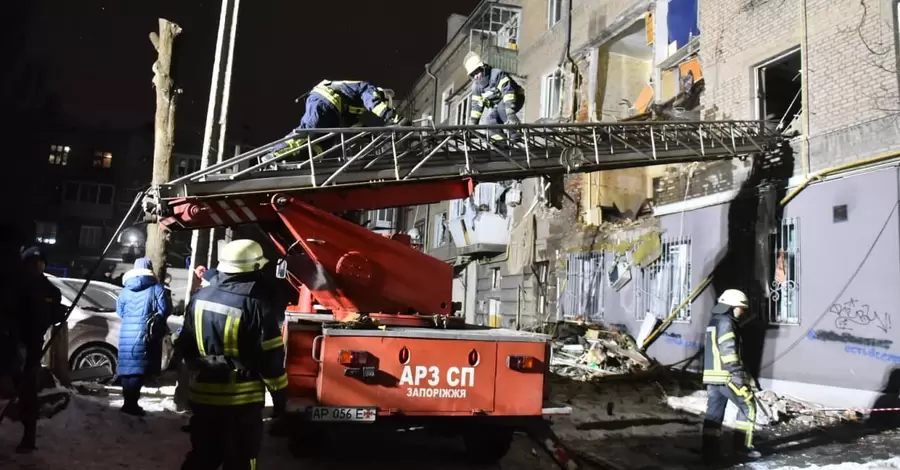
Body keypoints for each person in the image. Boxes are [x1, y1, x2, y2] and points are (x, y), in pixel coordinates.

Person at [178, 240, 289, 470]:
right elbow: (271, 359)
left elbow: (185, 345)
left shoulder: (200, 298)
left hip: (203, 399)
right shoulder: (257, 305)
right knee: (240, 460)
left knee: (202, 457)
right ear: (254, 269)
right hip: (241, 403)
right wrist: (280, 400)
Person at [263, 80, 404, 164]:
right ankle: (276, 152)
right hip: (325, 99)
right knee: (310, 129)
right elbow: (374, 103)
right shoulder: (369, 89)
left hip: (334, 109)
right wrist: (393, 117)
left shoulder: (356, 104)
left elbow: (351, 123)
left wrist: (367, 135)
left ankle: (302, 157)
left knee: (326, 141)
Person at [12, 246, 64, 453]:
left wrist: (57, 315)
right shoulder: (14, 286)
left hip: (32, 346)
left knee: (27, 391)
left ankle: (28, 436)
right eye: (31, 262)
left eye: (40, 262)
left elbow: (50, 315)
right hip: (11, 343)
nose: (36, 265)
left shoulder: (51, 290)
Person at [701, 289, 761, 462]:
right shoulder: (727, 322)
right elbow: (727, 350)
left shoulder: (714, 321)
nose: (742, 312)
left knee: (714, 414)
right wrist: (737, 373)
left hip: (713, 378)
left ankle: (709, 451)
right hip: (727, 376)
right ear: (732, 306)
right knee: (748, 406)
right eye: (741, 308)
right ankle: (743, 448)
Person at [116, 257, 172, 417]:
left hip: (126, 330)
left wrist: (130, 318)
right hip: (145, 331)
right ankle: (131, 405)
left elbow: (119, 310)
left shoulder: (125, 290)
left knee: (127, 367)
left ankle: (128, 402)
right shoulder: (156, 288)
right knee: (138, 368)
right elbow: (165, 310)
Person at [464, 51, 525, 146]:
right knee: (490, 120)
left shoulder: (497, 74)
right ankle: (500, 143)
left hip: (515, 97)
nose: (475, 76)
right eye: (472, 75)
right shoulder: (476, 87)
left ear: (482, 68)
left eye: (476, 72)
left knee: (501, 107)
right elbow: (476, 107)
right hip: (500, 104)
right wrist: (472, 126)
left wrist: (511, 114)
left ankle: (515, 134)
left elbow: (508, 93)